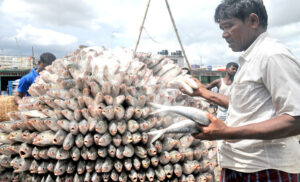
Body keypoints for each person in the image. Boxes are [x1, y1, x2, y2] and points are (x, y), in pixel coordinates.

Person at [180, 0, 300, 181]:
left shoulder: (273, 55)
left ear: (253, 21)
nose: (224, 35)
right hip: (239, 165)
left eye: (228, 26)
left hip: (265, 169)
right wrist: (204, 93)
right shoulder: (250, 59)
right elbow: (245, 105)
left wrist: (226, 133)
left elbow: (295, 120)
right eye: (221, 29)